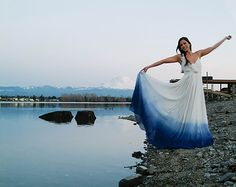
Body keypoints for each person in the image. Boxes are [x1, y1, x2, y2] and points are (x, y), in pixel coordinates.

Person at [130, 35, 232, 149]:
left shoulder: (199, 53)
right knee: (184, 109)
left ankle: (196, 135)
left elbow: (212, 47)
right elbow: (164, 61)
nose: (183, 46)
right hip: (185, 87)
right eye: (181, 45)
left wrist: (224, 39)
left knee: (196, 110)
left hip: (196, 88)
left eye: (185, 43)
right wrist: (148, 66)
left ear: (189, 43)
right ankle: (181, 133)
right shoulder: (180, 58)